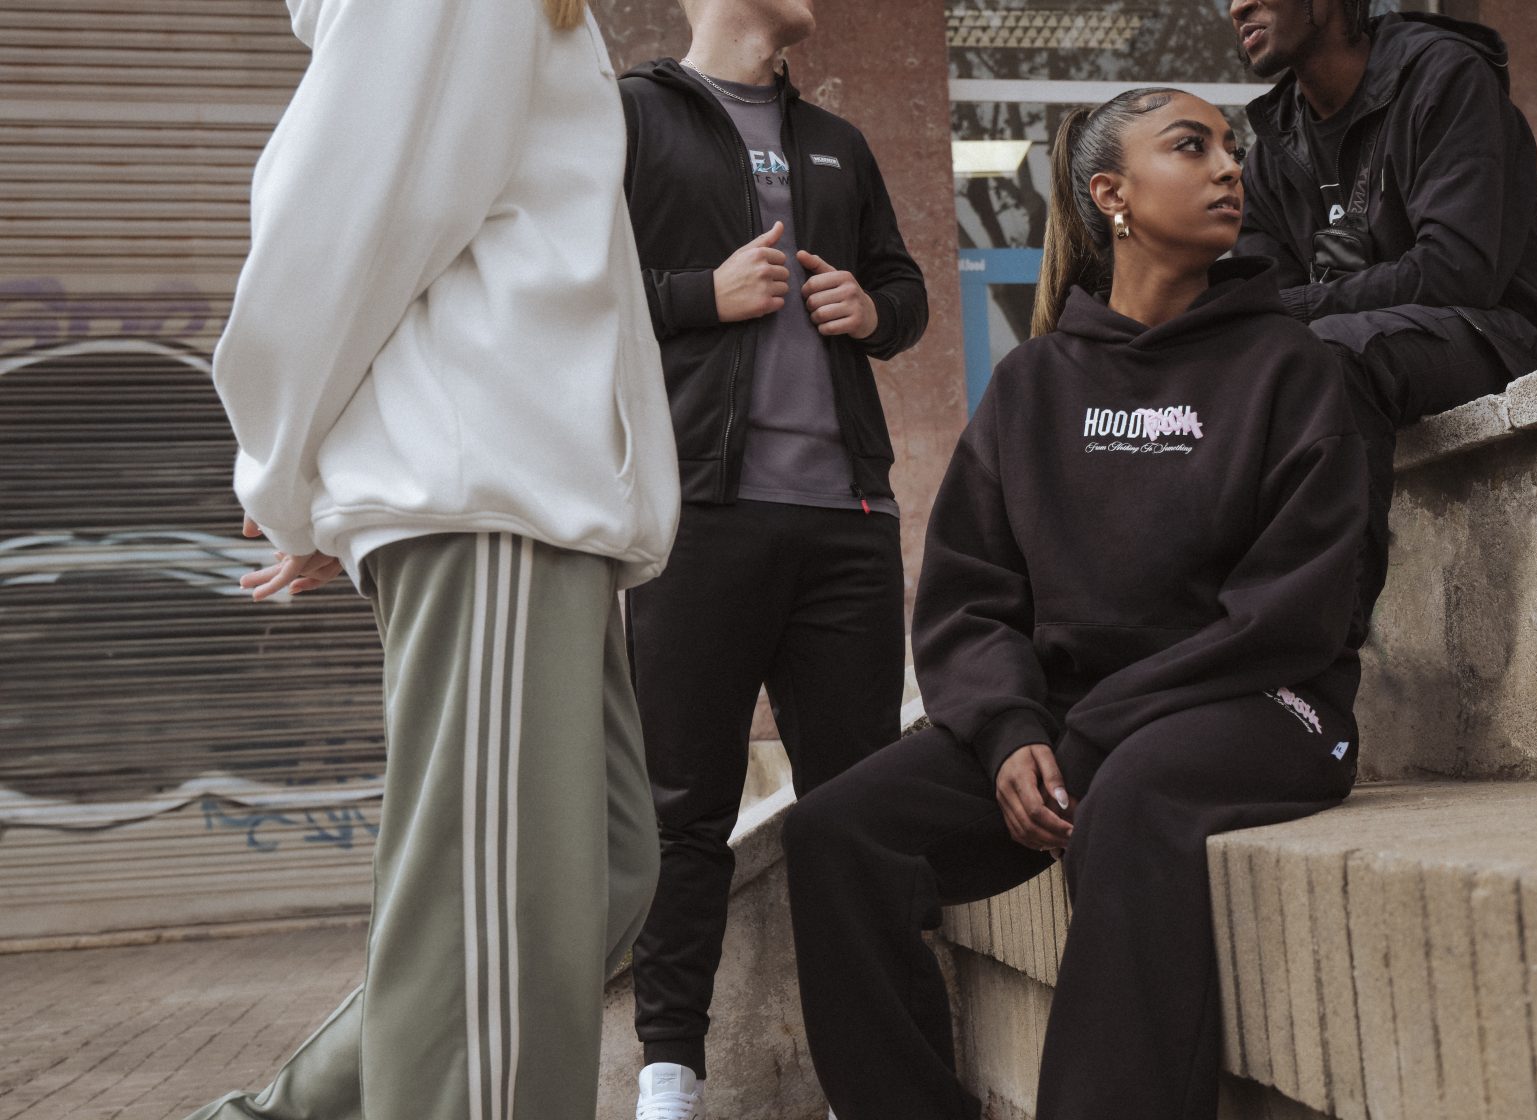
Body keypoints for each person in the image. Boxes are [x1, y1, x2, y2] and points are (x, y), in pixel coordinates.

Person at [782, 88, 1370, 1120]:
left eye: (1231, 148)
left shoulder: (1295, 369)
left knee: (1136, 789)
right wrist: (1010, 730)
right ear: (1111, 194)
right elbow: (970, 597)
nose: (1229, 167)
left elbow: (1294, 613)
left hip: (1263, 703)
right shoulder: (1034, 384)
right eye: (1191, 146)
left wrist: (1090, 731)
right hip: (1069, 725)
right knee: (837, 834)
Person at [181, 0, 678, 1116]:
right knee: (494, 937)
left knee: (596, 874)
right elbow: (342, 218)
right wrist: (291, 479)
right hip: (489, 490)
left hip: (539, 502)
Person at [613, 1, 928, 1116]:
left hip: (847, 519)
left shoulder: (837, 139)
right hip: (702, 515)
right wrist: (701, 295)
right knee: (683, 812)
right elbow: (569, 296)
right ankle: (670, 1080)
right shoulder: (632, 117)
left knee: (858, 815)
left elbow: (907, 293)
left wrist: (872, 310)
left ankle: (873, 1084)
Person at [1230, 0, 1537, 633]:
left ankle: (1322, 648)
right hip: (1375, 357)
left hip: (1502, 338)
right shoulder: (1275, 142)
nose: (1237, 6)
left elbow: (1459, 269)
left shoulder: (1443, 75)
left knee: (1329, 353)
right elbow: (1263, 309)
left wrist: (1304, 307)